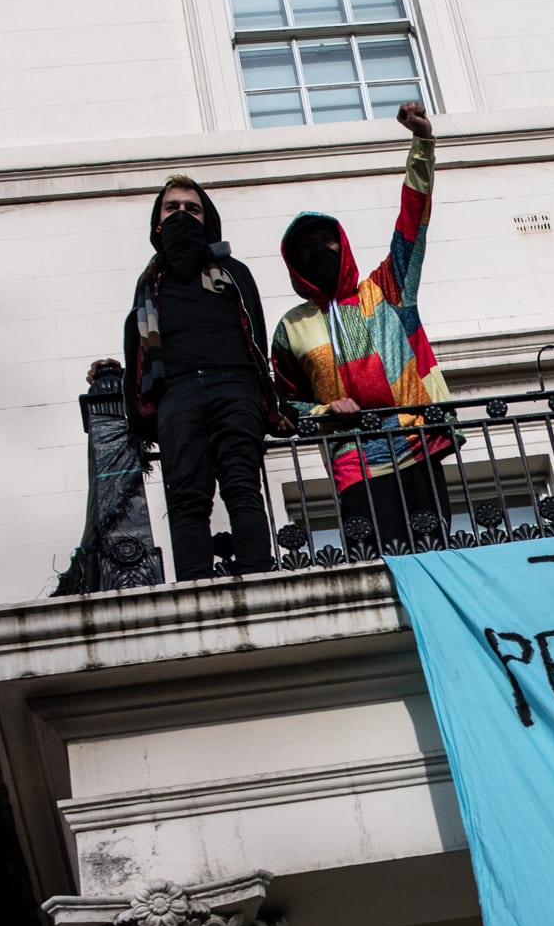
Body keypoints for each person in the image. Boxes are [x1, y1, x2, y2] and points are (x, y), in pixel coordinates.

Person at [272, 101, 456, 553]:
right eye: (309, 247)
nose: (321, 250)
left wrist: (422, 145)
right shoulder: (290, 328)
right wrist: (324, 411)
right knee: (373, 559)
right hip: (353, 458)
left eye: (327, 240)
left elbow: (412, 222)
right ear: (295, 264)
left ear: (344, 242)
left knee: (435, 554)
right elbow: (282, 406)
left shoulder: (388, 288)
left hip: (416, 438)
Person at [117, 173, 284, 578]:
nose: (182, 215)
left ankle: (259, 573)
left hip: (235, 385)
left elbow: (256, 336)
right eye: (172, 208)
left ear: (207, 220)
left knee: (242, 484)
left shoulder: (233, 273)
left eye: (192, 209)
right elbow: (137, 346)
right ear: (158, 223)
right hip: (177, 394)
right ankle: (194, 583)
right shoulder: (149, 285)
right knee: (187, 496)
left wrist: (265, 398)